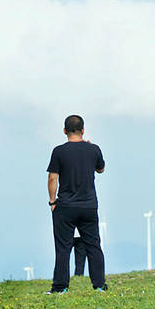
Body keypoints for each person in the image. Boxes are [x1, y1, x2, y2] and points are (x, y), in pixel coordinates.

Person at [46, 114, 107, 294]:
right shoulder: (93, 149)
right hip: (88, 205)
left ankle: (60, 286)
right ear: (83, 130)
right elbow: (101, 169)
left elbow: (52, 178)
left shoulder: (59, 151)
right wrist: (89, 149)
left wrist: (52, 201)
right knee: (93, 245)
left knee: (63, 247)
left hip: (65, 205)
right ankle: (99, 285)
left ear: (64, 131)